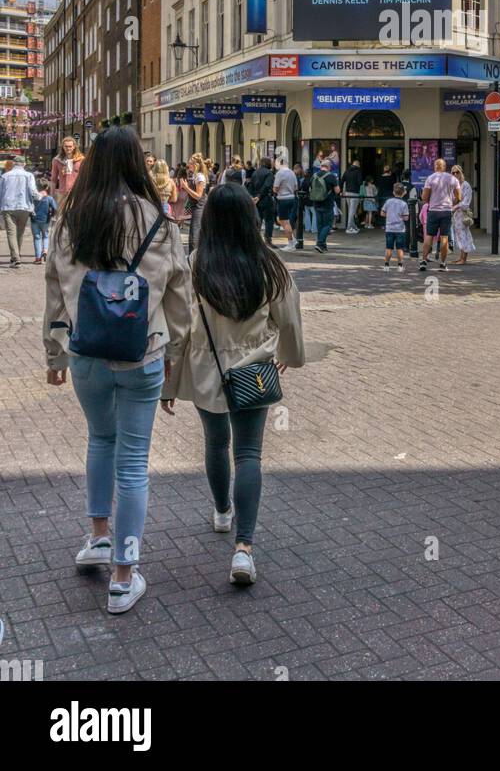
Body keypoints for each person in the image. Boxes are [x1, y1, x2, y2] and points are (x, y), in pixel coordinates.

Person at [43, 125, 192, 614]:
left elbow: (53, 290)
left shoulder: (68, 218)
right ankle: (124, 577)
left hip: (85, 351)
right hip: (143, 353)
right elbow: (179, 296)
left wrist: (55, 354)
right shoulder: (160, 220)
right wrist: (176, 359)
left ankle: (99, 537)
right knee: (133, 462)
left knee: (99, 441)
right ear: (136, 163)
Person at [160, 182, 304, 585]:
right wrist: (287, 356)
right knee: (249, 454)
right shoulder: (269, 263)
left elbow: (178, 326)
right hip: (255, 368)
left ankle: (222, 510)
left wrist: (168, 381)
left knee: (215, 443)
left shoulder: (194, 263)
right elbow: (289, 318)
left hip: (208, 367)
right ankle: (244, 549)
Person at [419, 158, 459, 273]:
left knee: (429, 236)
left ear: (435, 167)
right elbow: (459, 197)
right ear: (445, 167)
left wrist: (431, 201)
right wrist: (452, 203)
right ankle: (442, 263)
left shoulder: (430, 178)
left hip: (433, 211)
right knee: (444, 237)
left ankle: (424, 261)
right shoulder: (452, 179)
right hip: (446, 211)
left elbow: (424, 197)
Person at [1, 155, 38, 268]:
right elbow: (33, 191)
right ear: (24, 164)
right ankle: (16, 256)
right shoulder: (29, 175)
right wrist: (41, 197)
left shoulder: (5, 176)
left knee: (11, 233)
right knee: (20, 232)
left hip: (8, 207)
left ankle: (15, 258)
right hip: (24, 206)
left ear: (13, 164)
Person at [179, 153, 208, 254]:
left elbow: (198, 196)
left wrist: (186, 187)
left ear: (195, 165)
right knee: (194, 234)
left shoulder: (200, 177)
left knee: (194, 236)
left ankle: (194, 260)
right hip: (195, 207)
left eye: (190, 163)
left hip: (199, 207)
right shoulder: (194, 176)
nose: (188, 165)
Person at [309, 158, 339, 253]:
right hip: (327, 203)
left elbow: (310, 188)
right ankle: (319, 243)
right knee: (328, 225)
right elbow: (337, 190)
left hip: (316, 202)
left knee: (320, 225)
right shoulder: (331, 176)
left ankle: (323, 246)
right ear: (329, 167)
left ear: (321, 166)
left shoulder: (314, 176)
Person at [248, 157, 276, 245]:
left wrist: (253, 197)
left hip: (256, 200)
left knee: (258, 219)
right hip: (265, 198)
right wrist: (259, 196)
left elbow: (250, 186)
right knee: (269, 219)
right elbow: (267, 186)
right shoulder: (269, 173)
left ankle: (256, 239)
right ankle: (268, 239)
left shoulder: (255, 172)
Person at [381, 182, 409, 270]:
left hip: (389, 229)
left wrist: (389, 216)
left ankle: (386, 265)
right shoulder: (404, 204)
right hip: (400, 229)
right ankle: (400, 266)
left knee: (388, 248)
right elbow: (406, 218)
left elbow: (382, 213)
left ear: (393, 192)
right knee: (400, 248)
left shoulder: (388, 201)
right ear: (404, 193)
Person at [451, 165, 475, 265]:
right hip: (456, 214)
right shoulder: (453, 185)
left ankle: (463, 259)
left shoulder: (466, 185)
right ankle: (460, 257)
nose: (455, 174)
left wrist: (455, 207)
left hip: (462, 214)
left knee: (464, 235)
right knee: (459, 235)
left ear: (461, 173)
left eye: (457, 172)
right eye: (453, 173)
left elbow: (466, 203)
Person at [50, 137, 85, 204]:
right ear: (63, 147)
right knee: (61, 214)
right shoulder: (57, 160)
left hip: (77, 193)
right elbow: (53, 179)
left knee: (75, 214)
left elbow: (85, 177)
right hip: (62, 193)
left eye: (70, 146)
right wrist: (52, 195)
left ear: (74, 146)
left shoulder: (81, 160)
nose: (68, 148)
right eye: (66, 146)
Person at [31, 178, 57, 263]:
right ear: (47, 187)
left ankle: (38, 258)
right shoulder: (49, 198)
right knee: (45, 236)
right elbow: (55, 208)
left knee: (37, 238)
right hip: (46, 220)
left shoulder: (34, 198)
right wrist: (52, 215)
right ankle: (45, 250)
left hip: (34, 220)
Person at [273, 159, 298, 246]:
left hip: (282, 198)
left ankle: (291, 243)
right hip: (291, 198)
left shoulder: (279, 173)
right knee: (282, 220)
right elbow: (295, 187)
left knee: (285, 222)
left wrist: (276, 190)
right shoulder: (292, 172)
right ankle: (293, 240)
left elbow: (275, 188)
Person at [341, 159, 363, 235]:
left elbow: (342, 180)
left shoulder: (347, 171)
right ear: (357, 165)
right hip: (355, 193)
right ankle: (349, 228)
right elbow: (360, 182)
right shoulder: (358, 172)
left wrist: (341, 191)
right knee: (352, 211)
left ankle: (353, 226)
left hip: (347, 193)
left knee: (351, 210)